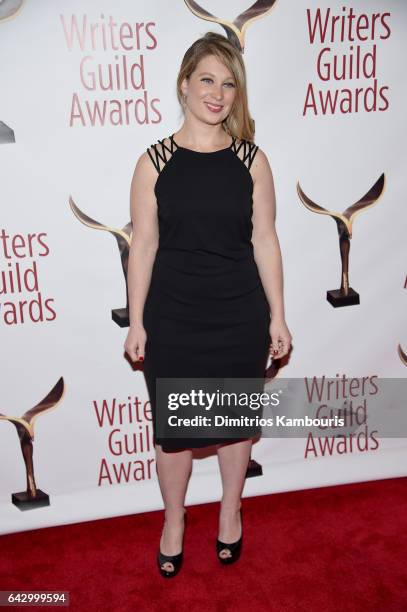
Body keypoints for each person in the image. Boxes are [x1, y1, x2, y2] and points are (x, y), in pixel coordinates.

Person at [124, 32, 292, 578]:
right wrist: (137, 320)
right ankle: (174, 520)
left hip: (238, 315)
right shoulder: (153, 161)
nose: (217, 94)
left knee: (235, 425)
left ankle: (229, 510)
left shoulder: (252, 160)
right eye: (207, 80)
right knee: (174, 435)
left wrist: (278, 316)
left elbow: (265, 240)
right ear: (184, 85)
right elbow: (143, 245)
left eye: (228, 84)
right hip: (173, 318)